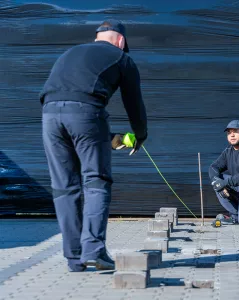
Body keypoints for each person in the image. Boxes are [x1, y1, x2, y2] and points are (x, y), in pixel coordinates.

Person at [40, 19, 147, 272]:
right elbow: (134, 103)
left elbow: (68, 101)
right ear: (120, 41)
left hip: (49, 117)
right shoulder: (121, 58)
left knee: (64, 187)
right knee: (96, 181)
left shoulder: (71, 53)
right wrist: (140, 135)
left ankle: (74, 259)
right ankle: (94, 250)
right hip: (86, 113)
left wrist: (101, 134)